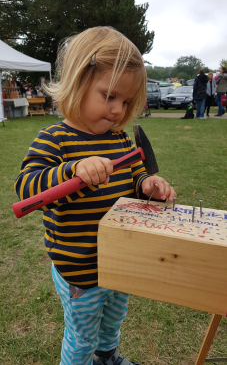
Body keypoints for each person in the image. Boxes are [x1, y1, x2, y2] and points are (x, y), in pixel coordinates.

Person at [14, 26, 177, 365]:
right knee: (81, 334)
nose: (119, 110)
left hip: (119, 258)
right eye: (109, 96)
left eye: (127, 101)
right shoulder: (55, 139)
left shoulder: (120, 140)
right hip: (81, 269)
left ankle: (107, 356)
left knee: (114, 318)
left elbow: (136, 178)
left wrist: (149, 185)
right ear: (78, 81)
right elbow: (28, 187)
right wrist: (72, 170)